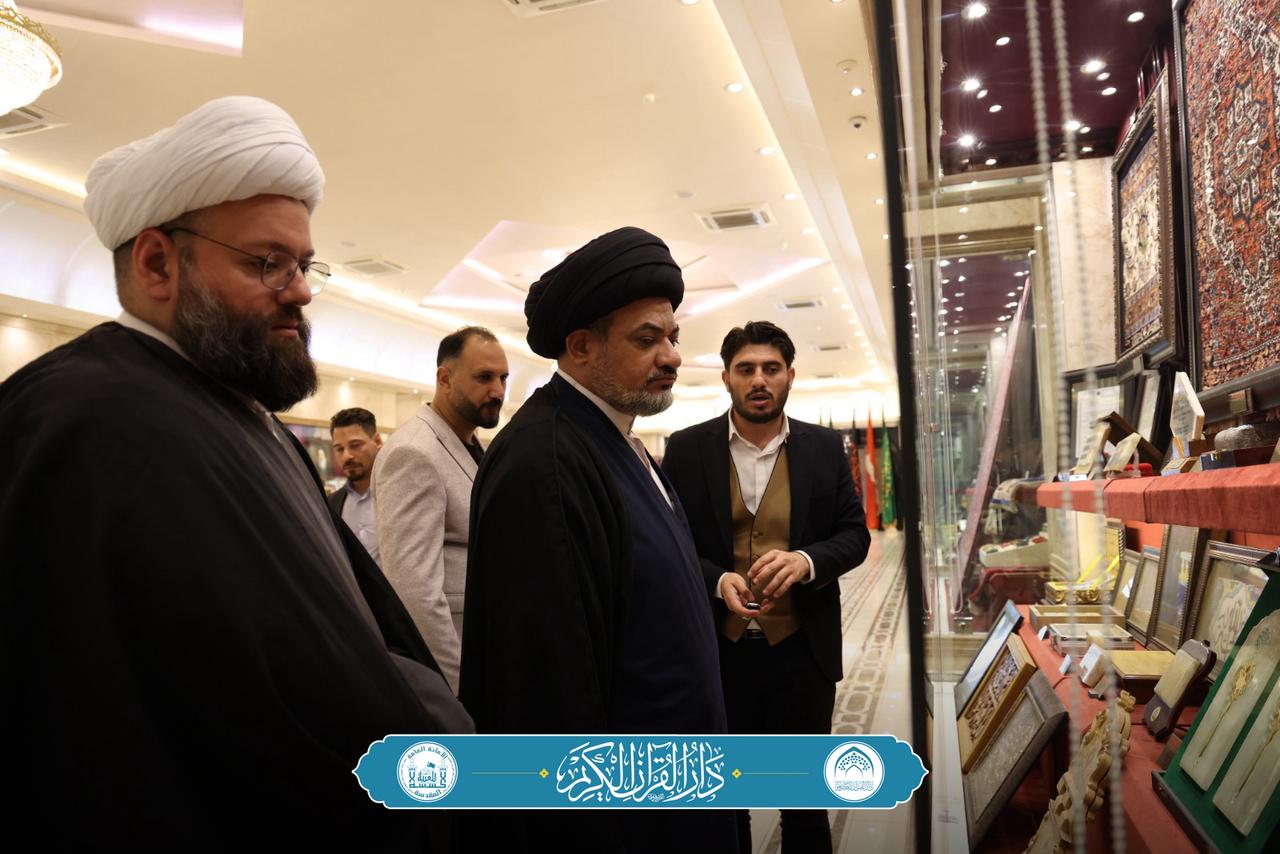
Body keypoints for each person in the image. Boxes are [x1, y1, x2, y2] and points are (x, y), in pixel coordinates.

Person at [0, 96, 471, 847]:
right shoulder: (81, 419)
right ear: (158, 263)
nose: (301, 289)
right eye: (266, 263)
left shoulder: (243, 411)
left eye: (304, 265)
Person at [459, 227, 736, 852]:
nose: (671, 356)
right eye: (647, 339)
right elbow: (550, 696)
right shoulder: (545, 462)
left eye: (672, 337)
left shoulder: (617, 442)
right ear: (581, 346)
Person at [662, 320, 871, 854]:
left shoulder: (824, 447)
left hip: (802, 653)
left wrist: (806, 560)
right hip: (717, 653)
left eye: (771, 368)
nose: (759, 379)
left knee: (805, 803)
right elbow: (669, 542)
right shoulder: (686, 450)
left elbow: (854, 535)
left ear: (790, 376)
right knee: (724, 802)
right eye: (746, 369)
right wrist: (715, 579)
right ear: (726, 379)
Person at [374, 326, 508, 693]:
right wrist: (458, 688)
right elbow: (414, 592)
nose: (498, 390)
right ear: (445, 379)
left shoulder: (470, 444)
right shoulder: (414, 451)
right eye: (484, 377)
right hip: (455, 669)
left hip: (486, 655)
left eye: (503, 378)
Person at [328, 407, 383, 562]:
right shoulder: (331, 504)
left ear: (377, 442)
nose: (347, 456)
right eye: (339, 449)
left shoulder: (398, 494)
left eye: (355, 445)